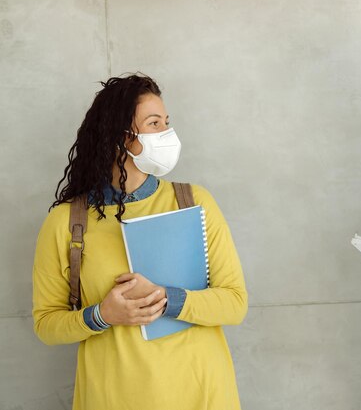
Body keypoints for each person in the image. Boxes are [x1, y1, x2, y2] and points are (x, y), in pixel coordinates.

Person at [32, 74, 248, 410]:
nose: (167, 132)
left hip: (203, 393)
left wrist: (166, 299)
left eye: (166, 121)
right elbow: (47, 325)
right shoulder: (66, 222)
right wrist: (102, 315)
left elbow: (235, 303)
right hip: (112, 398)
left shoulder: (194, 202)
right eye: (154, 123)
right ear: (122, 137)